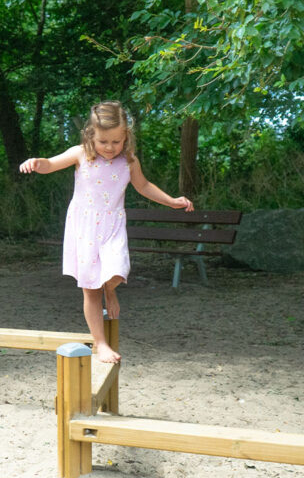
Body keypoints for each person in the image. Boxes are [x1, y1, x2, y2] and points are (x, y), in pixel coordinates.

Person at [19, 101, 193, 363]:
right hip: (85, 229)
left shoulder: (129, 161)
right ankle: (100, 343)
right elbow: (50, 164)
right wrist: (35, 162)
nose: (110, 147)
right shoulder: (80, 154)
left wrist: (171, 201)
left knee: (118, 271)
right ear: (91, 135)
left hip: (113, 225)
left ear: (126, 137)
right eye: (103, 141)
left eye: (116, 141)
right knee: (90, 289)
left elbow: (144, 186)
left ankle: (109, 289)